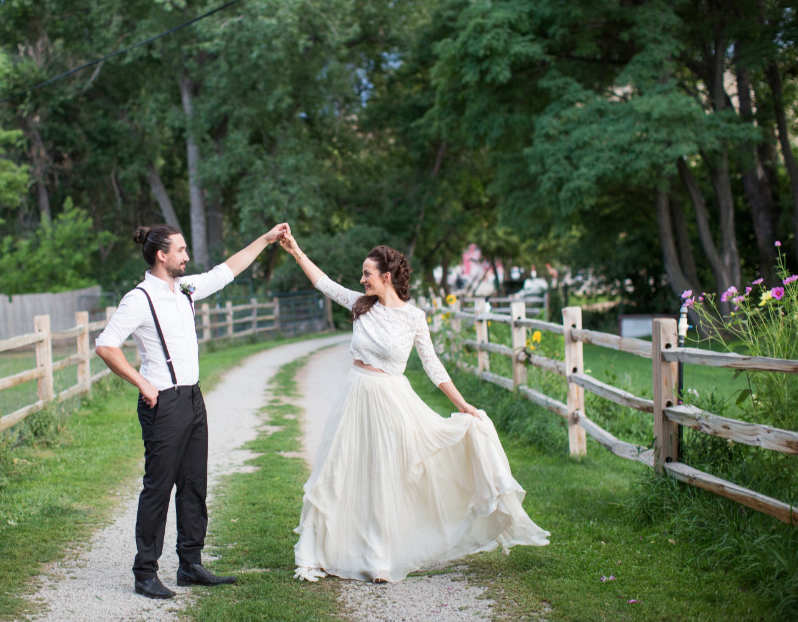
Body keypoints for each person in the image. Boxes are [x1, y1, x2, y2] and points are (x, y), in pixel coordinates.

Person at [278, 233, 549, 583]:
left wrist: (464, 405)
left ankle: (379, 559)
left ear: (386, 277)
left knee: (384, 478)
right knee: (339, 471)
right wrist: (297, 250)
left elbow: (433, 367)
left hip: (392, 401)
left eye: (367, 274)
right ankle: (322, 550)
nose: (362, 280)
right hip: (356, 394)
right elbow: (323, 283)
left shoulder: (414, 318)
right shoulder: (361, 304)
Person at [96, 222, 289, 599]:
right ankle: (145, 572)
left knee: (193, 484)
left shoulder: (184, 288)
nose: (187, 256)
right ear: (161, 255)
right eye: (180, 250)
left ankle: (190, 564)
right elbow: (106, 345)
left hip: (193, 399)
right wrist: (142, 382)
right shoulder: (139, 298)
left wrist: (265, 240)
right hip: (162, 403)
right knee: (158, 488)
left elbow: (227, 270)